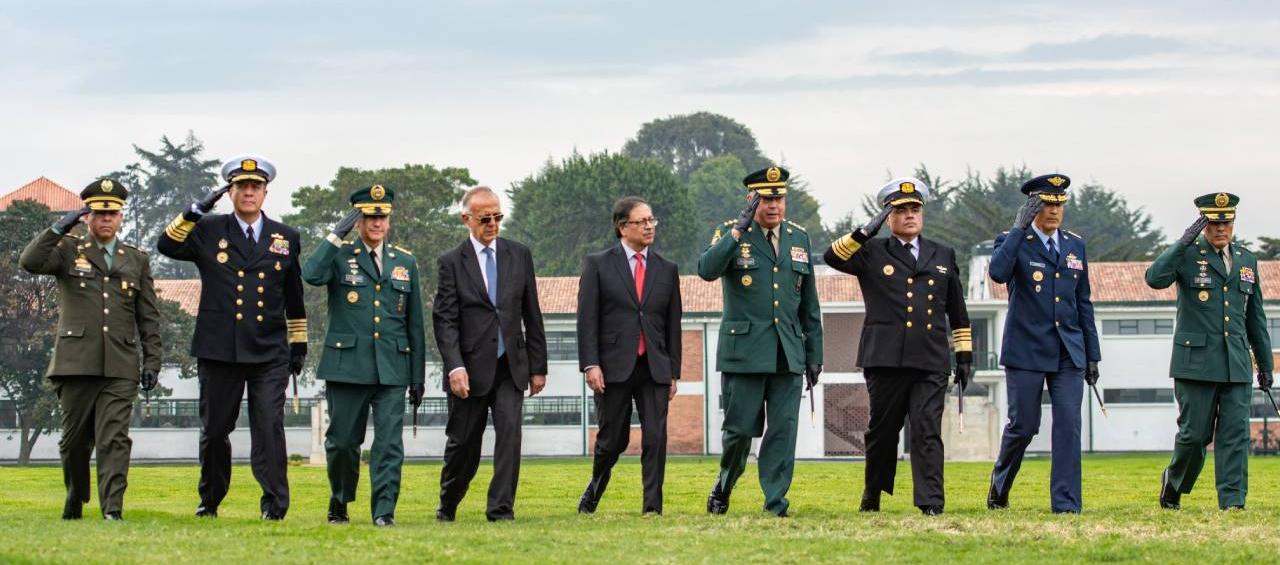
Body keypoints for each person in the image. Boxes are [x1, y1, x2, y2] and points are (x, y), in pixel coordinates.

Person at [157, 155, 307, 520]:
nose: (249, 193)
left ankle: (275, 506)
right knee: (215, 430)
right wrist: (193, 211)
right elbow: (167, 246)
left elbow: (294, 295)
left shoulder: (285, 237)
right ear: (230, 192)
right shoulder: (209, 229)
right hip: (219, 348)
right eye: (241, 186)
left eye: (255, 187)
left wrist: (299, 344)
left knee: (269, 427)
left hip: (268, 349)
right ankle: (209, 500)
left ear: (265, 193)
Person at [824, 178, 972, 515]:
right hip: (885, 358)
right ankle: (873, 491)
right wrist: (865, 231)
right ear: (888, 217)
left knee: (927, 429)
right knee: (883, 432)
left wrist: (964, 356)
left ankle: (931, 502)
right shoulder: (872, 252)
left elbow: (957, 310)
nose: (909, 215)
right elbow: (832, 257)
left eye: (914, 209)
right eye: (900, 210)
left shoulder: (942, 254)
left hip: (930, 358)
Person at [19, 179, 161, 520]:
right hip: (75, 363)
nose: (106, 219)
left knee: (114, 438)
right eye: (99, 213)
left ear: (121, 217)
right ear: (87, 217)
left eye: (112, 213)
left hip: (120, 364)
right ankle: (75, 495)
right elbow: (30, 262)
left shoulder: (136, 259)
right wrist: (59, 227)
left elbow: (148, 316)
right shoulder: (68, 249)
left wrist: (153, 361)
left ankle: (112, 509)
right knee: (74, 442)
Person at [698, 166, 823, 517]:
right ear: (751, 200)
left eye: (779, 198)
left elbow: (809, 304)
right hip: (745, 354)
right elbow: (706, 270)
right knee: (739, 433)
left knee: (783, 432)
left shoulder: (799, 238)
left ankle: (775, 502)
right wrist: (737, 231)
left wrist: (814, 354)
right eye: (766, 199)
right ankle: (725, 484)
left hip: (787, 354)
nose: (774, 206)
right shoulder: (731, 232)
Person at [302, 184, 425, 526]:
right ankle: (340, 498)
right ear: (357, 221)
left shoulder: (405, 261)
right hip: (347, 367)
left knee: (389, 445)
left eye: (382, 217)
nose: (377, 223)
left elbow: (415, 324)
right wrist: (334, 235)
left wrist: (417, 377)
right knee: (342, 443)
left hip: (392, 369)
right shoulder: (340, 256)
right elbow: (311, 274)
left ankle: (384, 511)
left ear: (389, 220)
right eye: (370, 217)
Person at [1146, 192, 1272, 510]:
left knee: (1235, 435)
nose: (1221, 229)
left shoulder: (1246, 260)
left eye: (1226, 222)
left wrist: (1265, 364)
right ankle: (1174, 481)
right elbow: (1155, 279)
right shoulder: (1188, 255)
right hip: (1196, 363)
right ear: (1204, 225)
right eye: (1214, 223)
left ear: (1233, 222)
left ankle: (1232, 501)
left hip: (1236, 363)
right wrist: (1182, 242)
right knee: (1194, 436)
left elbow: (1255, 317)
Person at [986, 173, 1100, 514]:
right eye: (1047, 204)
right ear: (1032, 207)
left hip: (1068, 350)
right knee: (1024, 426)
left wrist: (1092, 355)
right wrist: (1018, 229)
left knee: (1068, 425)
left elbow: (1083, 302)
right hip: (1026, 349)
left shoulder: (1075, 245)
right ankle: (1000, 485)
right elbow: (997, 273)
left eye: (1059, 205)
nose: (1054, 211)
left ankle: (1066, 505)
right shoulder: (1012, 240)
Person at [433, 186, 547, 522]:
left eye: (498, 216)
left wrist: (538, 366)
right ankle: (449, 501)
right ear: (466, 219)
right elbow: (445, 321)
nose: (493, 224)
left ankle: (500, 509)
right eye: (485, 218)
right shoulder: (451, 262)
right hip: (469, 370)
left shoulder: (519, 254)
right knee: (464, 445)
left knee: (510, 436)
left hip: (511, 366)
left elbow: (532, 313)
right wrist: (454, 367)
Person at [575, 196, 682, 515]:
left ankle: (652, 507)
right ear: (623, 228)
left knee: (655, 438)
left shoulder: (667, 269)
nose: (649, 226)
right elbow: (587, 319)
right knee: (613, 440)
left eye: (652, 220)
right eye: (642, 221)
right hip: (612, 367)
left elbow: (672, 323)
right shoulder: (598, 265)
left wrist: (673, 371)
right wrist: (591, 364)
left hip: (654, 366)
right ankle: (595, 487)